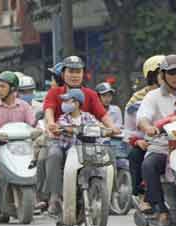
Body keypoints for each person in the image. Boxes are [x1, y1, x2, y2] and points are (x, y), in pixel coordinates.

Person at [43, 55, 120, 213]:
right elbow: (49, 110)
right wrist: (51, 123)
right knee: (53, 155)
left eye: (78, 71)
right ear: (63, 74)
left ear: (83, 74)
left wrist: (113, 128)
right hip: (61, 140)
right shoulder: (54, 93)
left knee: (110, 156)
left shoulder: (91, 94)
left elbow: (102, 115)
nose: (74, 75)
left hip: (87, 142)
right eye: (71, 71)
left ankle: (110, 195)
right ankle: (55, 196)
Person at [137, 54, 176, 226]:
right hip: (162, 147)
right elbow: (143, 117)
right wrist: (148, 127)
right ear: (163, 75)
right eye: (172, 72)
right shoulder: (153, 96)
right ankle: (161, 210)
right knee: (148, 165)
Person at [126, 55, 165, 209]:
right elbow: (129, 129)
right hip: (148, 142)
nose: (172, 76)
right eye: (163, 72)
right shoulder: (138, 99)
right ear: (151, 76)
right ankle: (143, 194)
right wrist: (138, 141)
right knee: (135, 155)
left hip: (174, 141)